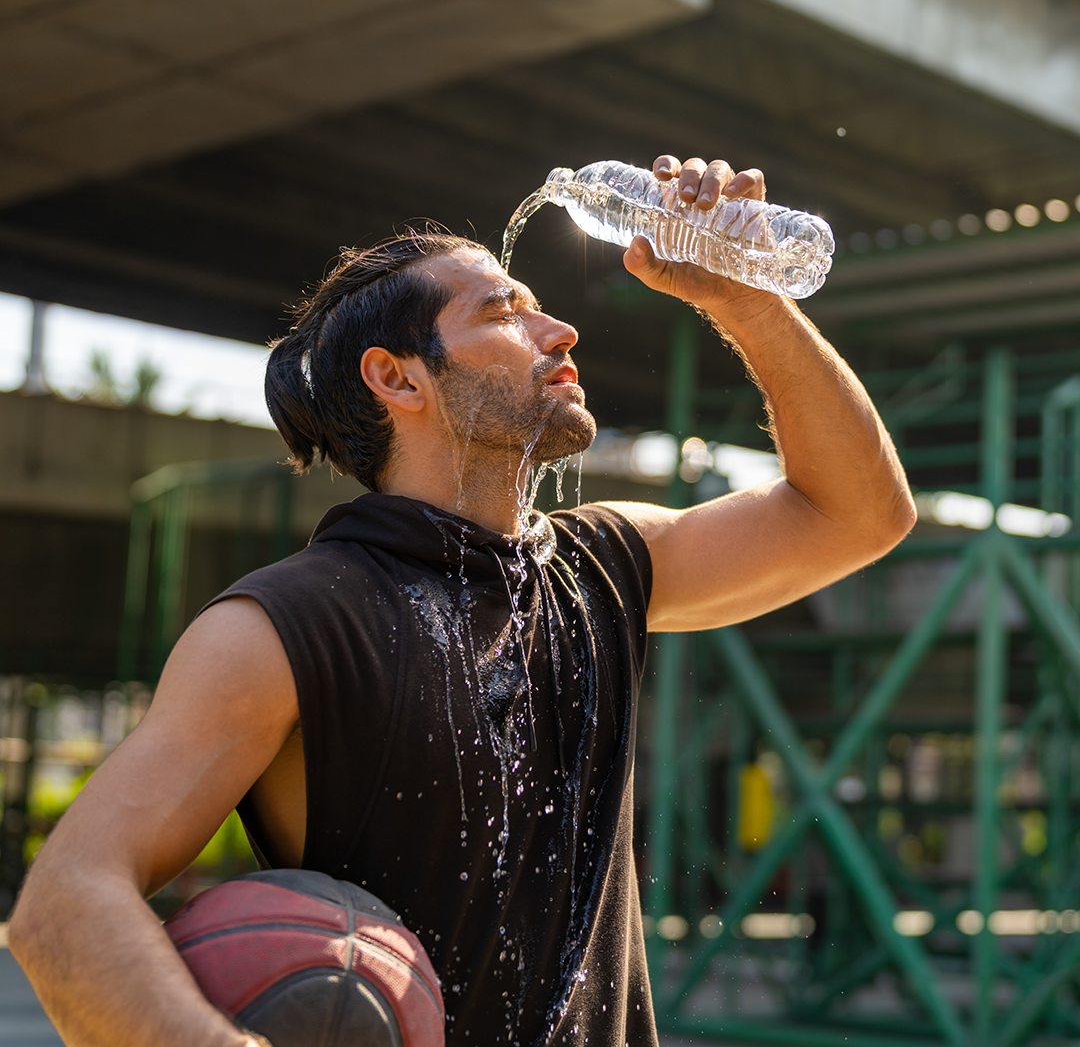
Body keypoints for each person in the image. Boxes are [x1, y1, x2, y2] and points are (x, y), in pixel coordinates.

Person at [9, 155, 915, 1047]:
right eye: (504, 313)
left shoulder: (603, 562)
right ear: (398, 378)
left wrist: (747, 301)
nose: (559, 331)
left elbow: (859, 513)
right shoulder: (285, 627)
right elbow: (67, 905)